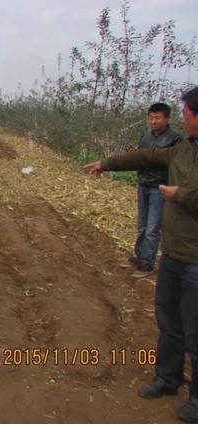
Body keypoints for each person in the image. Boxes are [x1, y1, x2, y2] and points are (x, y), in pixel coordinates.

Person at [84, 87, 198, 422]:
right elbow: (145, 158)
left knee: (195, 329)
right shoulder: (182, 149)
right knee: (169, 320)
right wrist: (107, 163)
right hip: (174, 253)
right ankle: (168, 377)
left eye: (186, 111)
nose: (182, 116)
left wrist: (184, 196)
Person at [124, 102, 182, 278]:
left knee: (152, 227)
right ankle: (139, 256)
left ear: (167, 118)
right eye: (151, 118)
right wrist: (135, 153)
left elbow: (173, 163)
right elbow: (143, 156)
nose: (153, 121)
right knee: (142, 225)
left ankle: (147, 263)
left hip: (159, 186)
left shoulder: (175, 139)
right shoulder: (146, 136)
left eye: (157, 118)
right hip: (144, 184)